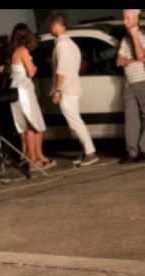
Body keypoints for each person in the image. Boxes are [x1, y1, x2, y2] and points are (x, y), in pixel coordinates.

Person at [49, 13, 100, 167]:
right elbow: (77, 65)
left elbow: (61, 70)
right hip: (73, 87)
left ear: (58, 25)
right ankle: (87, 151)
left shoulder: (62, 45)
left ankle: (90, 152)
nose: (50, 28)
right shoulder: (71, 44)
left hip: (67, 89)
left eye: (52, 25)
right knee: (76, 121)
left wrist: (57, 90)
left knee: (75, 123)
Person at [9, 23, 55, 170]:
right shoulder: (22, 50)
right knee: (33, 125)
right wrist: (34, 66)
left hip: (19, 91)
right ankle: (34, 159)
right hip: (24, 92)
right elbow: (31, 72)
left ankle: (36, 157)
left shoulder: (15, 51)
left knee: (32, 125)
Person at [117, 9, 145, 164]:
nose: (125, 21)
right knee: (132, 119)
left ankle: (144, 150)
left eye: (128, 18)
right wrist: (132, 59)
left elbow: (142, 56)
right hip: (130, 82)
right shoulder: (124, 39)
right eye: (124, 18)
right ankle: (132, 152)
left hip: (144, 80)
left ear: (137, 18)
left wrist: (135, 35)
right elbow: (119, 61)